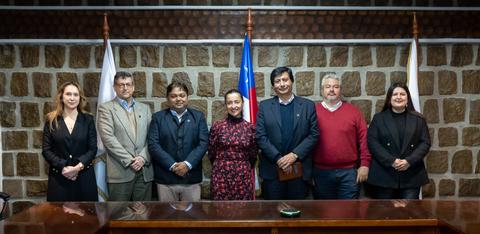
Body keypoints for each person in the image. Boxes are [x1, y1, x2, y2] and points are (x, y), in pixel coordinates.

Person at [256, 66, 319, 200]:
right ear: (273, 86)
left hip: (298, 171)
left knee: (297, 213)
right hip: (272, 171)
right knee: (272, 214)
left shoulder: (307, 106)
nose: (282, 84)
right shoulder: (264, 106)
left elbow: (314, 135)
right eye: (277, 81)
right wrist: (278, 158)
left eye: (285, 80)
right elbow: (261, 137)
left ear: (292, 81)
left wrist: (294, 155)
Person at [311, 73, 371, 199]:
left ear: (340, 90)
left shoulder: (353, 112)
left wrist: (365, 164)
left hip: (349, 173)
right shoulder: (312, 112)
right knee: (323, 213)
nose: (332, 90)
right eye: (328, 86)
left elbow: (364, 139)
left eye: (335, 87)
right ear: (322, 90)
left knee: (348, 214)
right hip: (320, 172)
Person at [367, 82, 431, 199]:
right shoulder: (379, 119)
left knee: (410, 214)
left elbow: (425, 143)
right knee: (385, 215)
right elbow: (372, 142)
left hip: (411, 175)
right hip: (384, 175)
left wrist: (409, 161)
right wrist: (391, 161)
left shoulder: (418, 119)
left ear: (408, 98)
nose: (398, 97)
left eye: (402, 94)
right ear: (389, 98)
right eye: (395, 94)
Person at [97, 71, 154, 201]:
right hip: (120, 172)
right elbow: (108, 138)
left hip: (144, 171)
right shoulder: (106, 109)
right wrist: (130, 160)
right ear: (114, 87)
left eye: (128, 84)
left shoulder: (145, 108)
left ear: (133, 87)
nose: (125, 88)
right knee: (119, 215)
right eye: (121, 84)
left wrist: (142, 158)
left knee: (143, 214)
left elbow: (152, 137)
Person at [148, 81, 208, 202]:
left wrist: (187, 164)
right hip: (166, 179)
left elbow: (203, 143)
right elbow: (153, 145)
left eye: (182, 95)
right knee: (167, 219)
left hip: (191, 179)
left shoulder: (198, 117)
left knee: (192, 218)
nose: (178, 99)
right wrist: (173, 165)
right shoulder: (158, 118)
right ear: (167, 98)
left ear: (187, 97)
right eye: (173, 96)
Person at [42, 82, 97, 201]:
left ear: (80, 98)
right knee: (58, 218)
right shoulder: (51, 120)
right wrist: (64, 167)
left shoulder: (88, 120)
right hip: (59, 178)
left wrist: (77, 167)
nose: (72, 98)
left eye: (75, 95)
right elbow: (46, 150)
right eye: (68, 94)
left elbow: (92, 149)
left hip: (84, 178)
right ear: (61, 97)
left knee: (87, 218)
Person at [208, 89, 257, 200]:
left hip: (243, 176)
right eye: (229, 103)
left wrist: (242, 165)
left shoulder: (250, 128)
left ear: (242, 103)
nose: (233, 106)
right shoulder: (217, 127)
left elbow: (253, 155)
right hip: (221, 176)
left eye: (236, 102)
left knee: (243, 211)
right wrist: (222, 164)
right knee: (220, 211)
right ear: (226, 105)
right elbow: (211, 153)